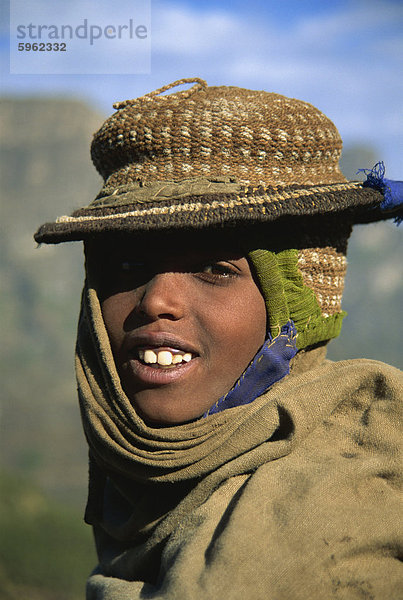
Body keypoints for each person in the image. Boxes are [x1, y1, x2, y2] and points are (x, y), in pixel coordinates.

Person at [35, 78, 402, 599]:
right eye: (129, 265)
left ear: (294, 308)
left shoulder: (323, 527)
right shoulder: (139, 497)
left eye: (213, 267)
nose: (156, 300)